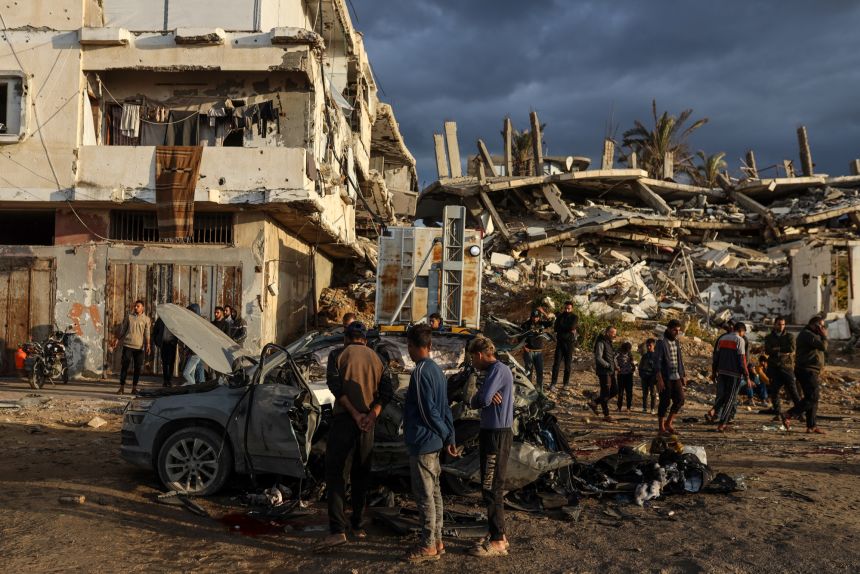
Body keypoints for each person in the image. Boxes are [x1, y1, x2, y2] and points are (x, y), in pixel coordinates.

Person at [317, 322, 394, 552]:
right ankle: (358, 525)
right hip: (367, 426)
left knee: (336, 475)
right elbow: (387, 392)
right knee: (361, 475)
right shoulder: (378, 358)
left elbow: (335, 387)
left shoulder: (337, 355)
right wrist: (370, 416)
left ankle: (337, 530)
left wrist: (355, 414)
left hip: (344, 422)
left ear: (347, 338)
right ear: (365, 339)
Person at [403, 325, 457, 562]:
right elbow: (445, 408)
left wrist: (446, 434)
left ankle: (428, 545)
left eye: (410, 347)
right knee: (435, 492)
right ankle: (437, 540)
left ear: (413, 346)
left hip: (423, 441)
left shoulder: (420, 372)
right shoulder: (437, 371)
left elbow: (428, 411)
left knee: (425, 495)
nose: (409, 351)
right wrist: (449, 436)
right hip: (433, 442)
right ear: (431, 345)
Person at [467, 336, 513, 558]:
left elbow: (481, 399)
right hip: (492, 433)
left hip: (496, 435)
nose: (473, 364)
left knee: (491, 486)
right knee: (491, 485)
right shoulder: (494, 372)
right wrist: (482, 398)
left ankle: (497, 540)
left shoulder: (498, 370)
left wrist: (481, 397)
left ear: (478, 355)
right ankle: (499, 535)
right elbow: (479, 400)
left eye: (472, 359)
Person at [783, 316, 828, 434]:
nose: (823, 328)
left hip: (811, 370)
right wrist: (824, 335)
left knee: (812, 398)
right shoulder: (807, 334)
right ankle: (789, 414)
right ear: (815, 325)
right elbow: (823, 347)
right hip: (806, 370)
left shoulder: (812, 334)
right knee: (813, 397)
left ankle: (811, 426)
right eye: (821, 326)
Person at [711, 322, 751, 433]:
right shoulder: (740, 340)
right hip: (734, 374)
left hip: (722, 372)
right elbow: (742, 360)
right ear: (741, 331)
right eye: (743, 333)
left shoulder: (722, 338)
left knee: (723, 396)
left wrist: (714, 372)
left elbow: (716, 357)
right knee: (730, 399)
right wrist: (747, 376)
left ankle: (714, 410)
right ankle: (722, 424)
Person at [764, 316, 801, 418]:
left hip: (787, 367)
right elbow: (767, 350)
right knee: (774, 392)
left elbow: (792, 348)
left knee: (793, 392)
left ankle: (799, 413)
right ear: (774, 324)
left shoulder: (789, 336)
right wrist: (782, 351)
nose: (781, 326)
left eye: (783, 324)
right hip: (774, 367)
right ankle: (777, 413)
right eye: (779, 324)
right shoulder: (769, 337)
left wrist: (776, 349)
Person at [111, 300, 151, 395]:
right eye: (135, 306)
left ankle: (134, 388)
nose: (136, 308)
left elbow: (147, 333)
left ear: (143, 308)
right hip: (128, 345)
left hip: (139, 347)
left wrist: (148, 345)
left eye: (138, 306)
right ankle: (121, 388)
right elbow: (123, 329)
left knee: (137, 368)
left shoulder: (146, 319)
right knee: (124, 367)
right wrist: (117, 339)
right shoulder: (129, 317)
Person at [655, 320, 686, 434]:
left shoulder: (676, 342)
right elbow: (657, 362)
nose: (676, 332)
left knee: (680, 399)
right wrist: (659, 379)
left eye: (678, 330)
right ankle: (661, 428)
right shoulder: (661, 342)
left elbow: (679, 359)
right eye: (674, 330)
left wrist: (682, 375)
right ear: (668, 329)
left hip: (676, 376)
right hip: (665, 377)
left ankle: (668, 423)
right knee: (665, 402)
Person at [588, 326, 618, 422]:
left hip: (611, 371)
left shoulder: (609, 342)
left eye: (615, 333)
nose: (614, 335)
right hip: (604, 372)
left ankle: (595, 402)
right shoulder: (601, 342)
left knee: (615, 390)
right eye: (613, 333)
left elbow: (611, 357)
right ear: (607, 332)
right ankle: (606, 415)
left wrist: (615, 366)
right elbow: (598, 357)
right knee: (605, 393)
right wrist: (608, 365)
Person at [520, 308, 553, 393]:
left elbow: (551, 323)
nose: (535, 319)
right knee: (528, 373)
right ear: (531, 317)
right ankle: (528, 390)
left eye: (537, 317)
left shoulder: (541, 323)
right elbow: (519, 337)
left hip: (539, 352)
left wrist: (544, 312)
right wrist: (524, 347)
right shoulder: (525, 325)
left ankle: (539, 391)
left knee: (539, 372)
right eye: (534, 317)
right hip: (529, 352)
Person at [549, 301, 578, 390]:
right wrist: (566, 328)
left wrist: (563, 327)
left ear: (572, 308)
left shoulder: (574, 317)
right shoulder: (560, 316)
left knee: (567, 365)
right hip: (560, 342)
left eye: (569, 308)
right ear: (563, 308)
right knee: (556, 364)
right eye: (565, 308)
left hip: (569, 343)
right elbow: (556, 328)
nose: (567, 310)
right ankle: (553, 383)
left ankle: (565, 383)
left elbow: (572, 327)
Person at [182, 303, 206, 386]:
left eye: (191, 311)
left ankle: (197, 386)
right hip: (192, 352)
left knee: (187, 373)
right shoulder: (191, 322)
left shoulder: (199, 324)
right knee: (192, 373)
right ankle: (193, 388)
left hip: (196, 352)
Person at [152, 315, 177, 387]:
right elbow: (155, 330)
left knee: (171, 362)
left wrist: (176, 341)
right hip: (164, 344)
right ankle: (165, 380)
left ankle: (170, 380)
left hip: (172, 344)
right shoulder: (161, 320)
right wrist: (157, 341)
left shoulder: (174, 320)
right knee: (165, 362)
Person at [638, 338, 658, 414]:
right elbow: (640, 366)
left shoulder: (657, 356)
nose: (648, 347)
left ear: (653, 346)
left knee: (653, 393)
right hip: (645, 377)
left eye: (650, 346)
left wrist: (656, 377)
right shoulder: (645, 356)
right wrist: (641, 374)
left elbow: (658, 368)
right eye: (647, 346)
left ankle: (652, 409)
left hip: (653, 377)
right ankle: (644, 408)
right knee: (644, 393)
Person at [616, 341, 635, 412]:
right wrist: (616, 367)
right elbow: (613, 358)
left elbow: (631, 360)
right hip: (621, 374)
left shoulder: (629, 352)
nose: (627, 352)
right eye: (626, 350)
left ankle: (628, 408)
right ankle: (619, 407)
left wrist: (633, 366)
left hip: (629, 374)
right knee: (620, 392)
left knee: (629, 392)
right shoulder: (618, 352)